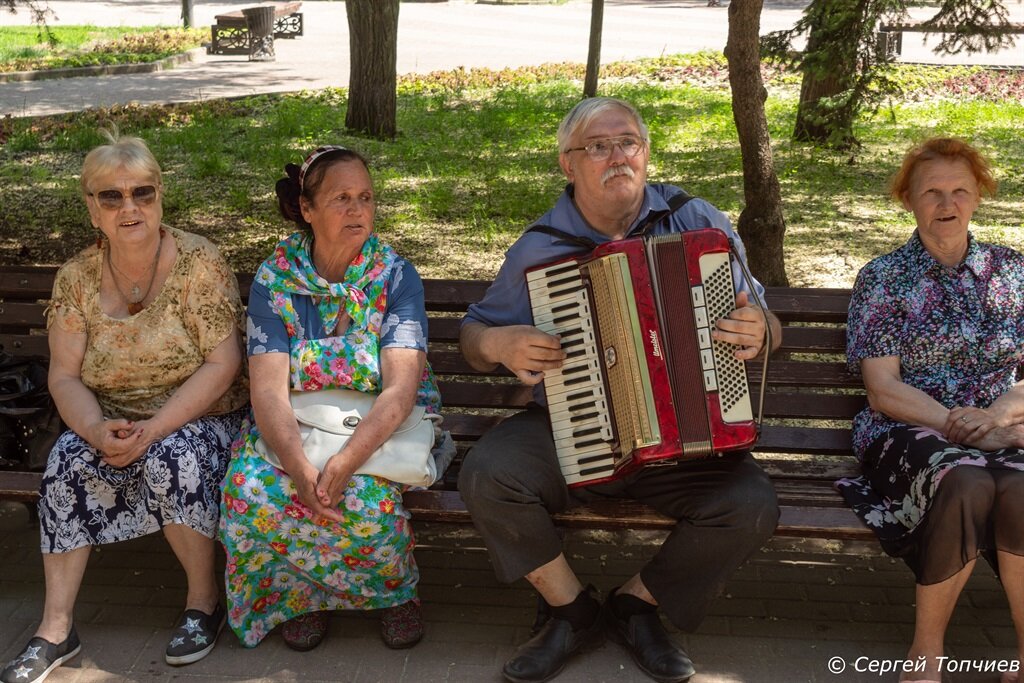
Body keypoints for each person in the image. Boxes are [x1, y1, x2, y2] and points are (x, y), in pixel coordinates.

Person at [458, 97, 782, 683]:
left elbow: (765, 318)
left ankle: (637, 605)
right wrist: (500, 344)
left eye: (628, 142)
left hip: (685, 438)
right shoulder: (540, 247)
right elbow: (473, 335)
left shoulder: (698, 221)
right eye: (598, 146)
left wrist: (762, 330)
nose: (617, 156)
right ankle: (572, 609)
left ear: (647, 153)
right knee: (488, 475)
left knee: (751, 506)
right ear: (567, 165)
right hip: (569, 429)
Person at [0, 133, 248, 683]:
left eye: (143, 192)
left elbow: (223, 363)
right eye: (111, 197)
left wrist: (155, 427)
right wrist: (93, 429)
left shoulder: (199, 262)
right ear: (92, 209)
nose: (129, 207)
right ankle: (56, 628)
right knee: (66, 465)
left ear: (161, 196)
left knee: (170, 460)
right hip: (110, 420)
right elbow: (64, 376)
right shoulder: (77, 278)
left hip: (202, 416)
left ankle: (203, 602)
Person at [220, 145, 450, 653]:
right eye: (342, 198)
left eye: (365, 198)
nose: (357, 210)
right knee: (252, 490)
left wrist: (345, 460)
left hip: (384, 425)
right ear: (308, 210)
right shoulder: (274, 280)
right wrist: (299, 466)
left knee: (366, 498)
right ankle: (303, 597)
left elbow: (401, 387)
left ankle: (393, 595)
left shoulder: (394, 276)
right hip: (295, 426)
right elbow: (267, 388)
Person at [837, 137, 1024, 683]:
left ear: (979, 197)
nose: (947, 203)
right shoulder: (885, 278)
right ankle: (925, 657)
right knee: (963, 479)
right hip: (905, 430)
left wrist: (996, 418)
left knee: (1018, 487)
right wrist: (959, 426)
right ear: (909, 200)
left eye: (960, 190)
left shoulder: (1014, 273)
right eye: (932, 191)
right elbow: (882, 389)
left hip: (1000, 428)